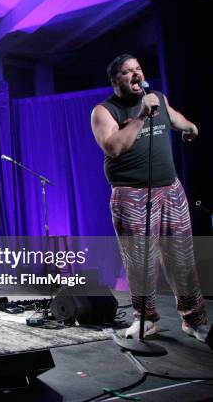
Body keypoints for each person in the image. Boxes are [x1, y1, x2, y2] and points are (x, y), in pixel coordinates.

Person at [91, 54, 208, 341]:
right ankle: (146, 319)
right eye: (127, 71)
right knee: (140, 261)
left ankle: (194, 319)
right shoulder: (104, 111)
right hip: (131, 195)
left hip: (170, 189)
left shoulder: (156, 97)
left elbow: (173, 117)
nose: (135, 74)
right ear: (115, 80)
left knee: (182, 257)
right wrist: (142, 115)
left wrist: (190, 127)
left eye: (138, 69)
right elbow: (113, 147)